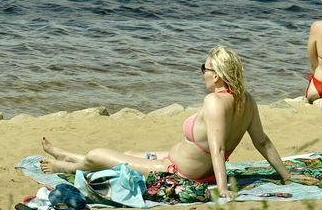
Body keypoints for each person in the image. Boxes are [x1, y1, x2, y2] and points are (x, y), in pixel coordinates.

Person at [40, 45, 292, 199]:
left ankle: (69, 167)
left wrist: (223, 188)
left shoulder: (215, 102)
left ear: (216, 76)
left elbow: (217, 148)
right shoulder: (246, 100)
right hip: (176, 161)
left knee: (98, 154)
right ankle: (69, 155)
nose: (202, 72)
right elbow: (262, 141)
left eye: (204, 68)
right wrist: (286, 176)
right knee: (124, 155)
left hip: (178, 172)